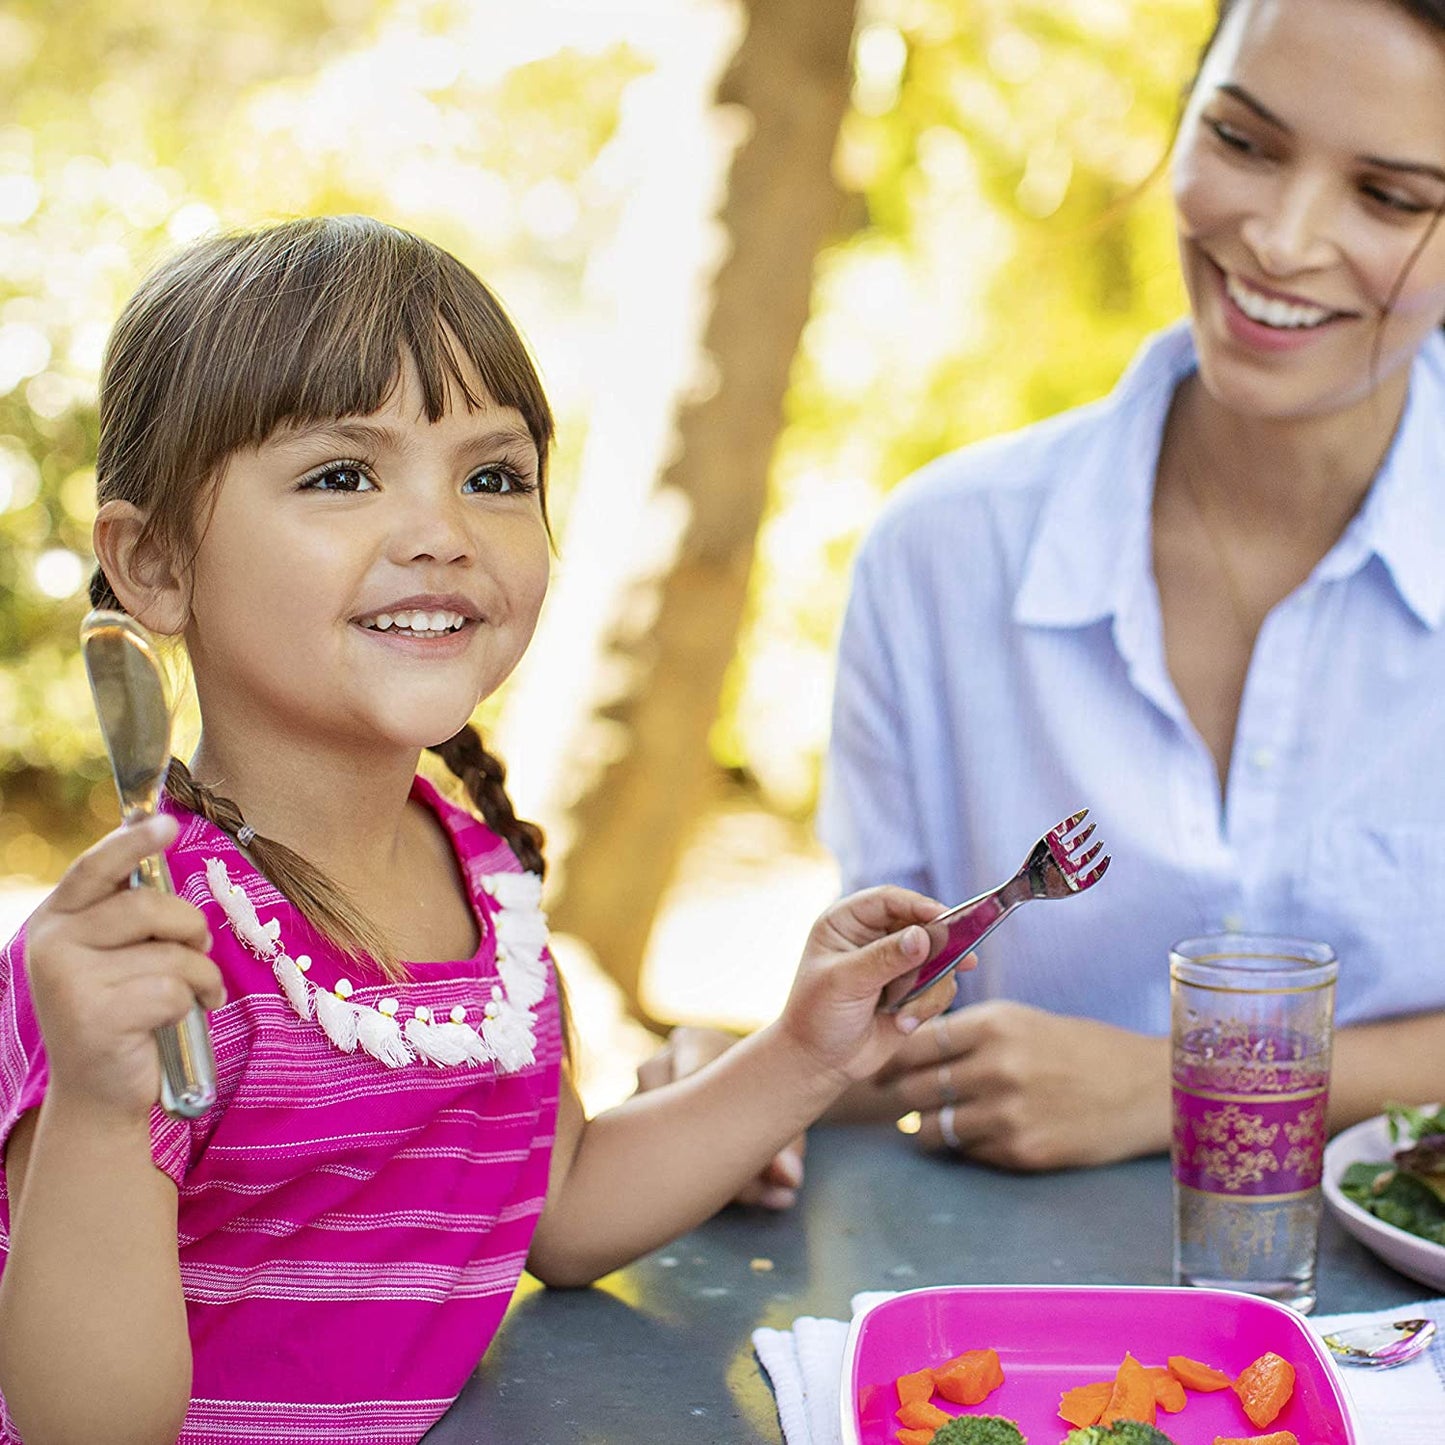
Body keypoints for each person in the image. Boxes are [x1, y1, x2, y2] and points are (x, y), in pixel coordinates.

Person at [0, 216, 956, 1445]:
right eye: (343, 474)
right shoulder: (137, 965)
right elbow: (88, 1426)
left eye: (492, 476)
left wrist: (803, 1052)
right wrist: (92, 1104)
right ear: (156, 563)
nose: (444, 528)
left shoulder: (483, 881)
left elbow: (555, 1207)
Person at [649, 0, 1445, 1184]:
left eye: (1388, 197)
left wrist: (1177, 1075)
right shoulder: (940, 555)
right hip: (1026, 1329)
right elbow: (910, 1014)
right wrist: (746, 1083)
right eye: (1242, 140)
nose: (1279, 239)